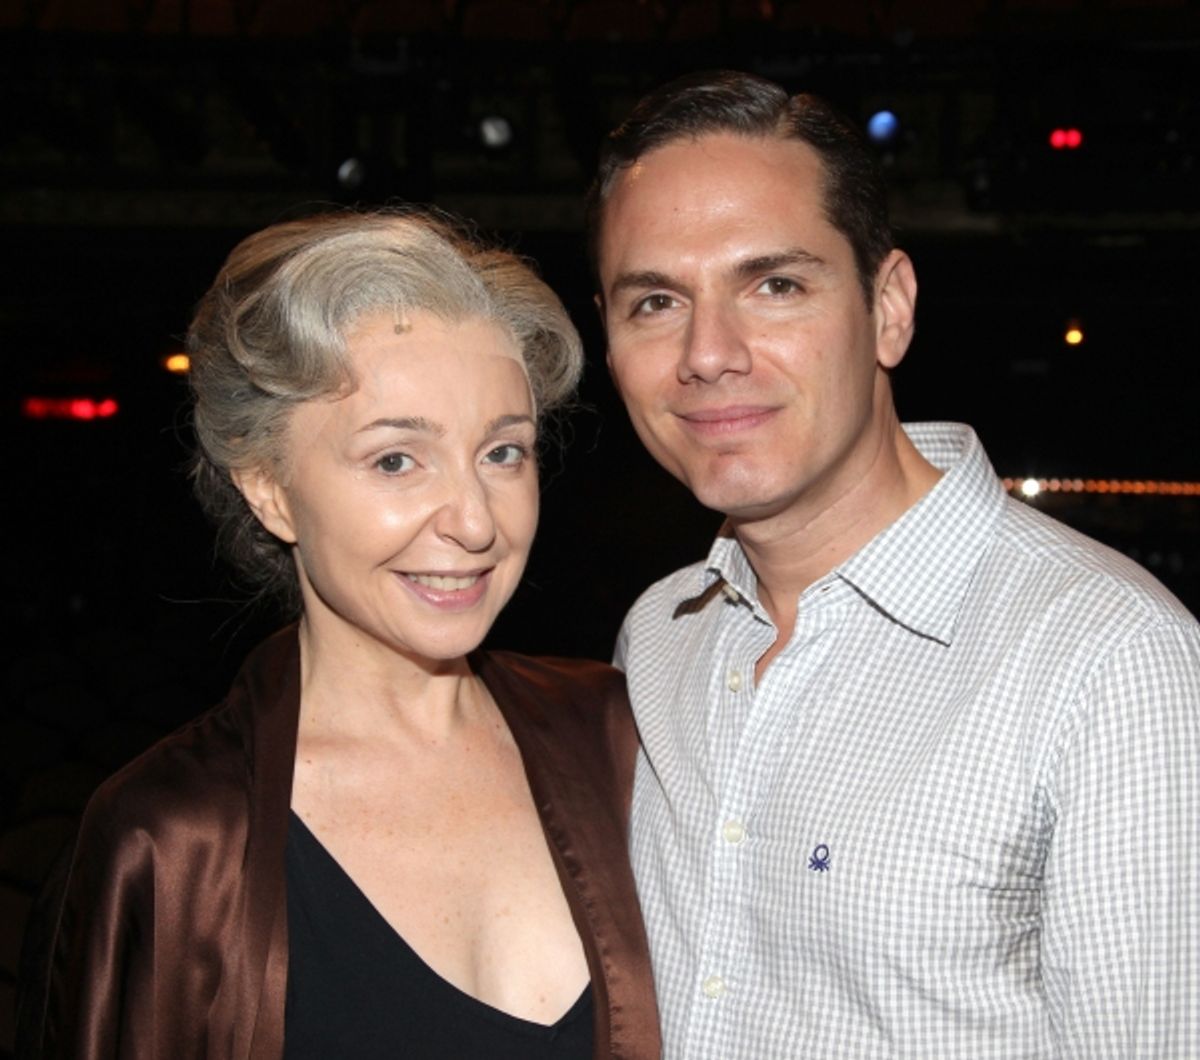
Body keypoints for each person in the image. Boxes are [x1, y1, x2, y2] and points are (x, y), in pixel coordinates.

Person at [588, 70, 1199, 1057]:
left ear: (890, 309)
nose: (708, 353)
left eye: (774, 285)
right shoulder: (660, 632)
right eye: (655, 301)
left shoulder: (1114, 662)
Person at [18, 210, 661, 1059]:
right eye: (396, 460)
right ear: (269, 490)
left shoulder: (621, 733)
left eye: (504, 453)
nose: (475, 522)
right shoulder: (173, 841)